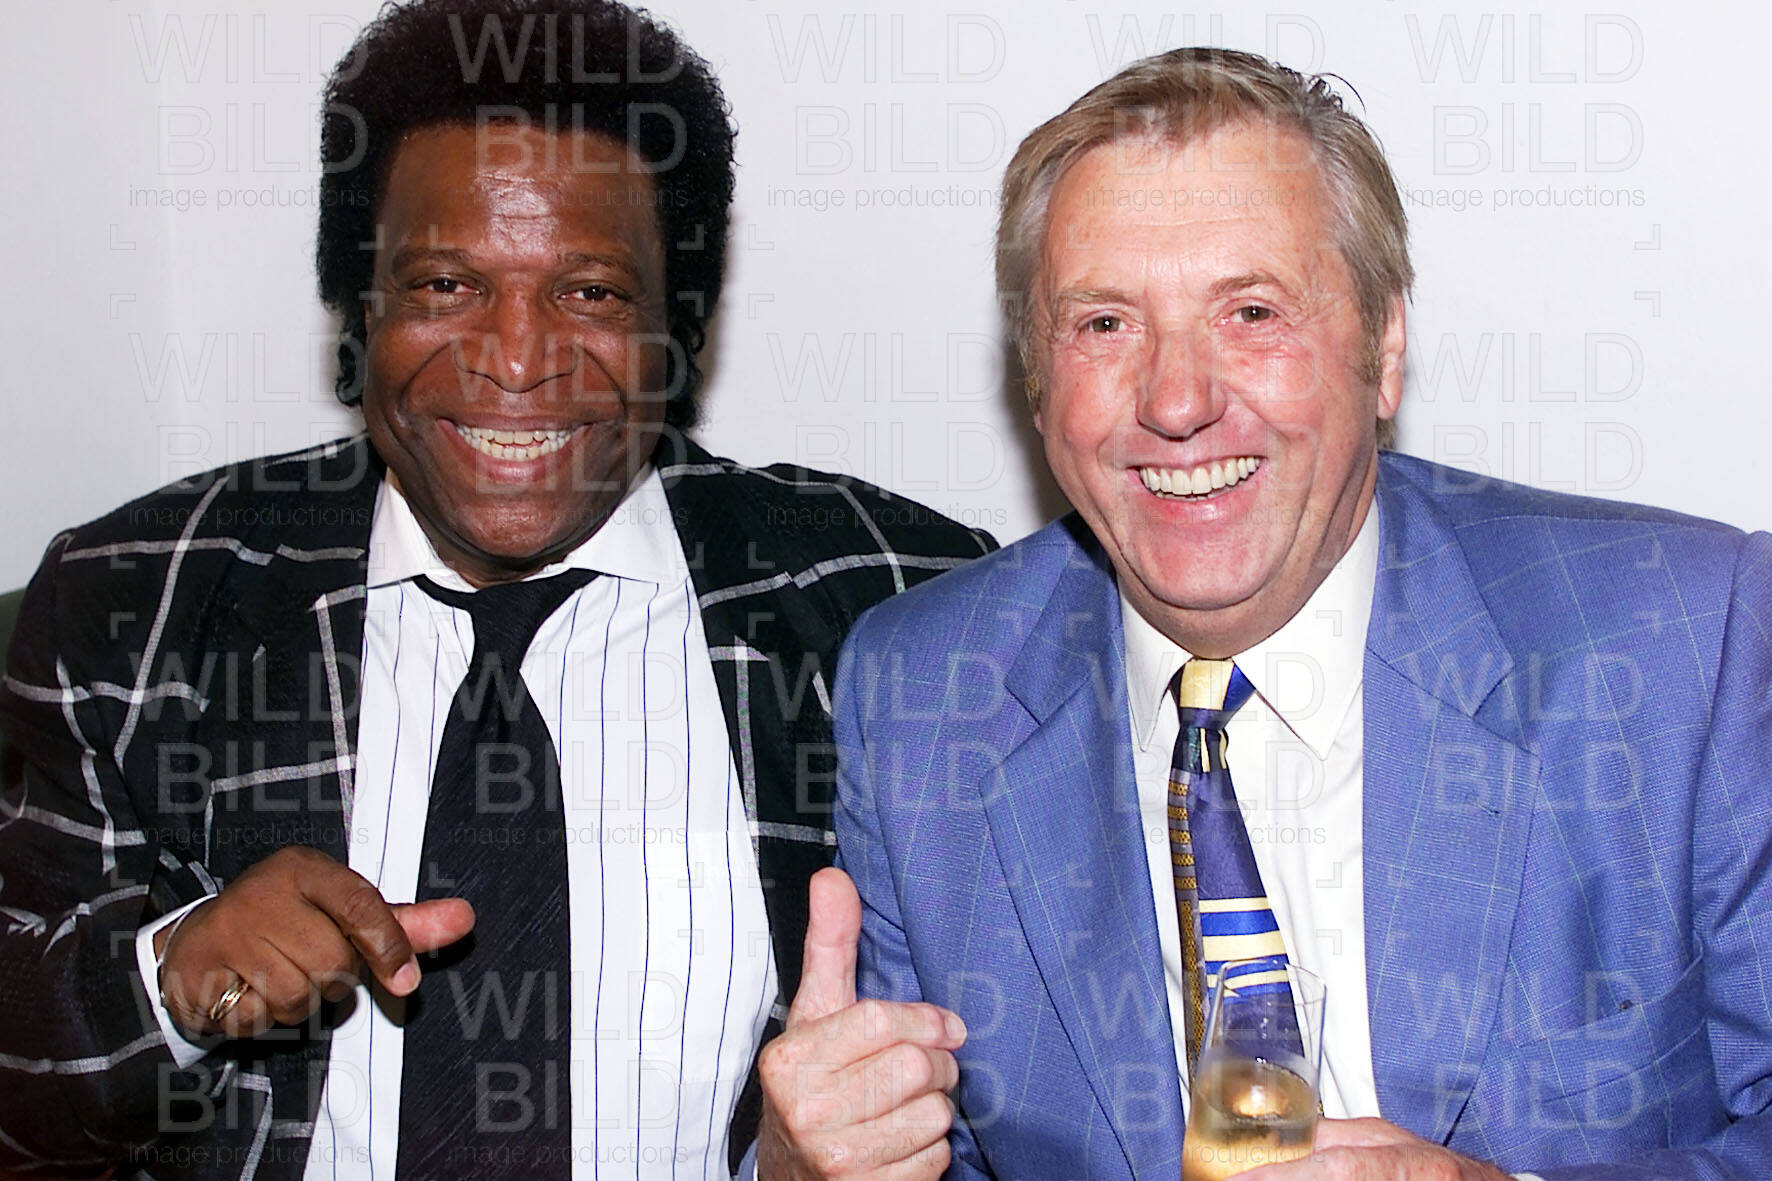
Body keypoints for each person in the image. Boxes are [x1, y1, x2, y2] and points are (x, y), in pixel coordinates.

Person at [0, 1, 991, 1177]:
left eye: (591, 293)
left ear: (676, 329)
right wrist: (168, 980)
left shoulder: (897, 602)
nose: (515, 361)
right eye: (443, 285)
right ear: (361, 310)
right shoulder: (133, 604)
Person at [758, 47, 1772, 1180]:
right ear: (1036, 383)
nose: (1176, 400)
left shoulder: (1687, 639)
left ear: (1383, 350)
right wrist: (803, 1165)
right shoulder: (923, 695)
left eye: (1250, 311)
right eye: (1104, 324)